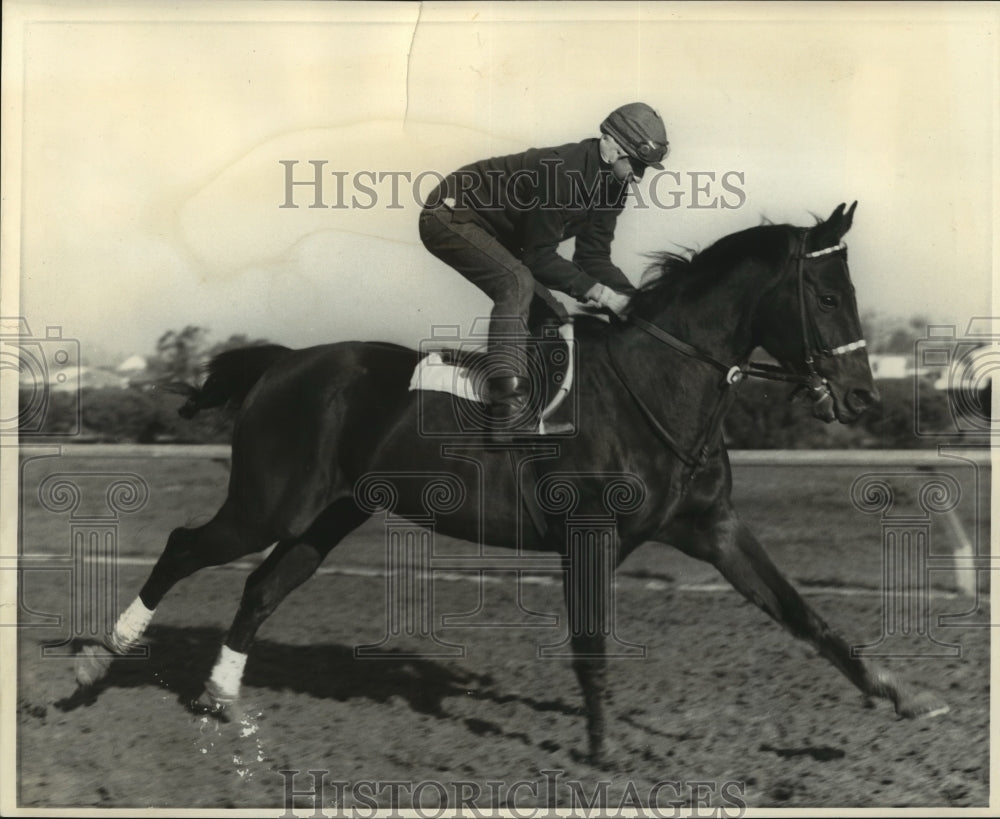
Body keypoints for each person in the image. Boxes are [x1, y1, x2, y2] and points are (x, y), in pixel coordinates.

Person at [418, 102, 669, 438]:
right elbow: (538, 259)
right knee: (516, 281)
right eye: (635, 164)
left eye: (645, 168)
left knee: (553, 318)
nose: (639, 176)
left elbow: (594, 258)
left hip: (495, 231)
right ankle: (507, 409)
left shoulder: (614, 188)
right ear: (609, 146)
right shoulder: (561, 172)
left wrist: (637, 304)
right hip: (448, 214)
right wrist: (604, 295)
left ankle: (534, 407)